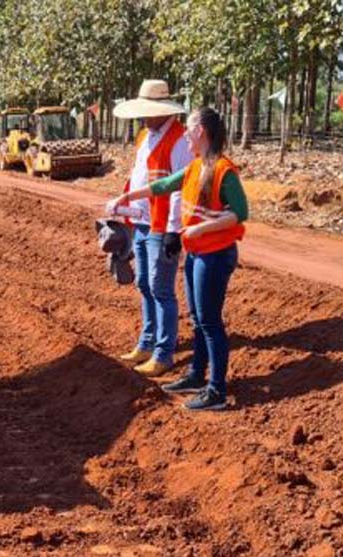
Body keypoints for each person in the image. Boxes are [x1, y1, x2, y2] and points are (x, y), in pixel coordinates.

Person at [110, 107, 248, 411]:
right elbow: (162, 185)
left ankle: (217, 390)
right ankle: (197, 375)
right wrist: (127, 198)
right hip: (198, 252)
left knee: (210, 322)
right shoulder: (196, 167)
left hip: (215, 254)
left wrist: (201, 227)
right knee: (198, 319)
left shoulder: (223, 170)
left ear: (201, 132)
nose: (185, 133)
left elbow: (240, 212)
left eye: (189, 128)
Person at [108, 80, 191, 377]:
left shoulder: (180, 140)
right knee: (144, 284)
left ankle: (163, 353)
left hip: (161, 224)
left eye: (148, 111)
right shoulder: (145, 136)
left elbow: (182, 186)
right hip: (141, 221)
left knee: (161, 289)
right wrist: (124, 207)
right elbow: (138, 177)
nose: (143, 117)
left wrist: (173, 230)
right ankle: (146, 342)